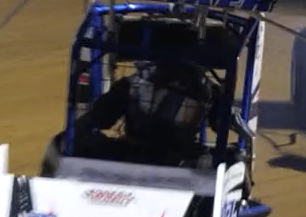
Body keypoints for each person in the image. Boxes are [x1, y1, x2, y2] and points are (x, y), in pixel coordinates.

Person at [75, 59, 219, 167]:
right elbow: (98, 117)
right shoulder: (135, 84)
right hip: (141, 155)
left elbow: (99, 117)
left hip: (167, 158)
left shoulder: (134, 83)